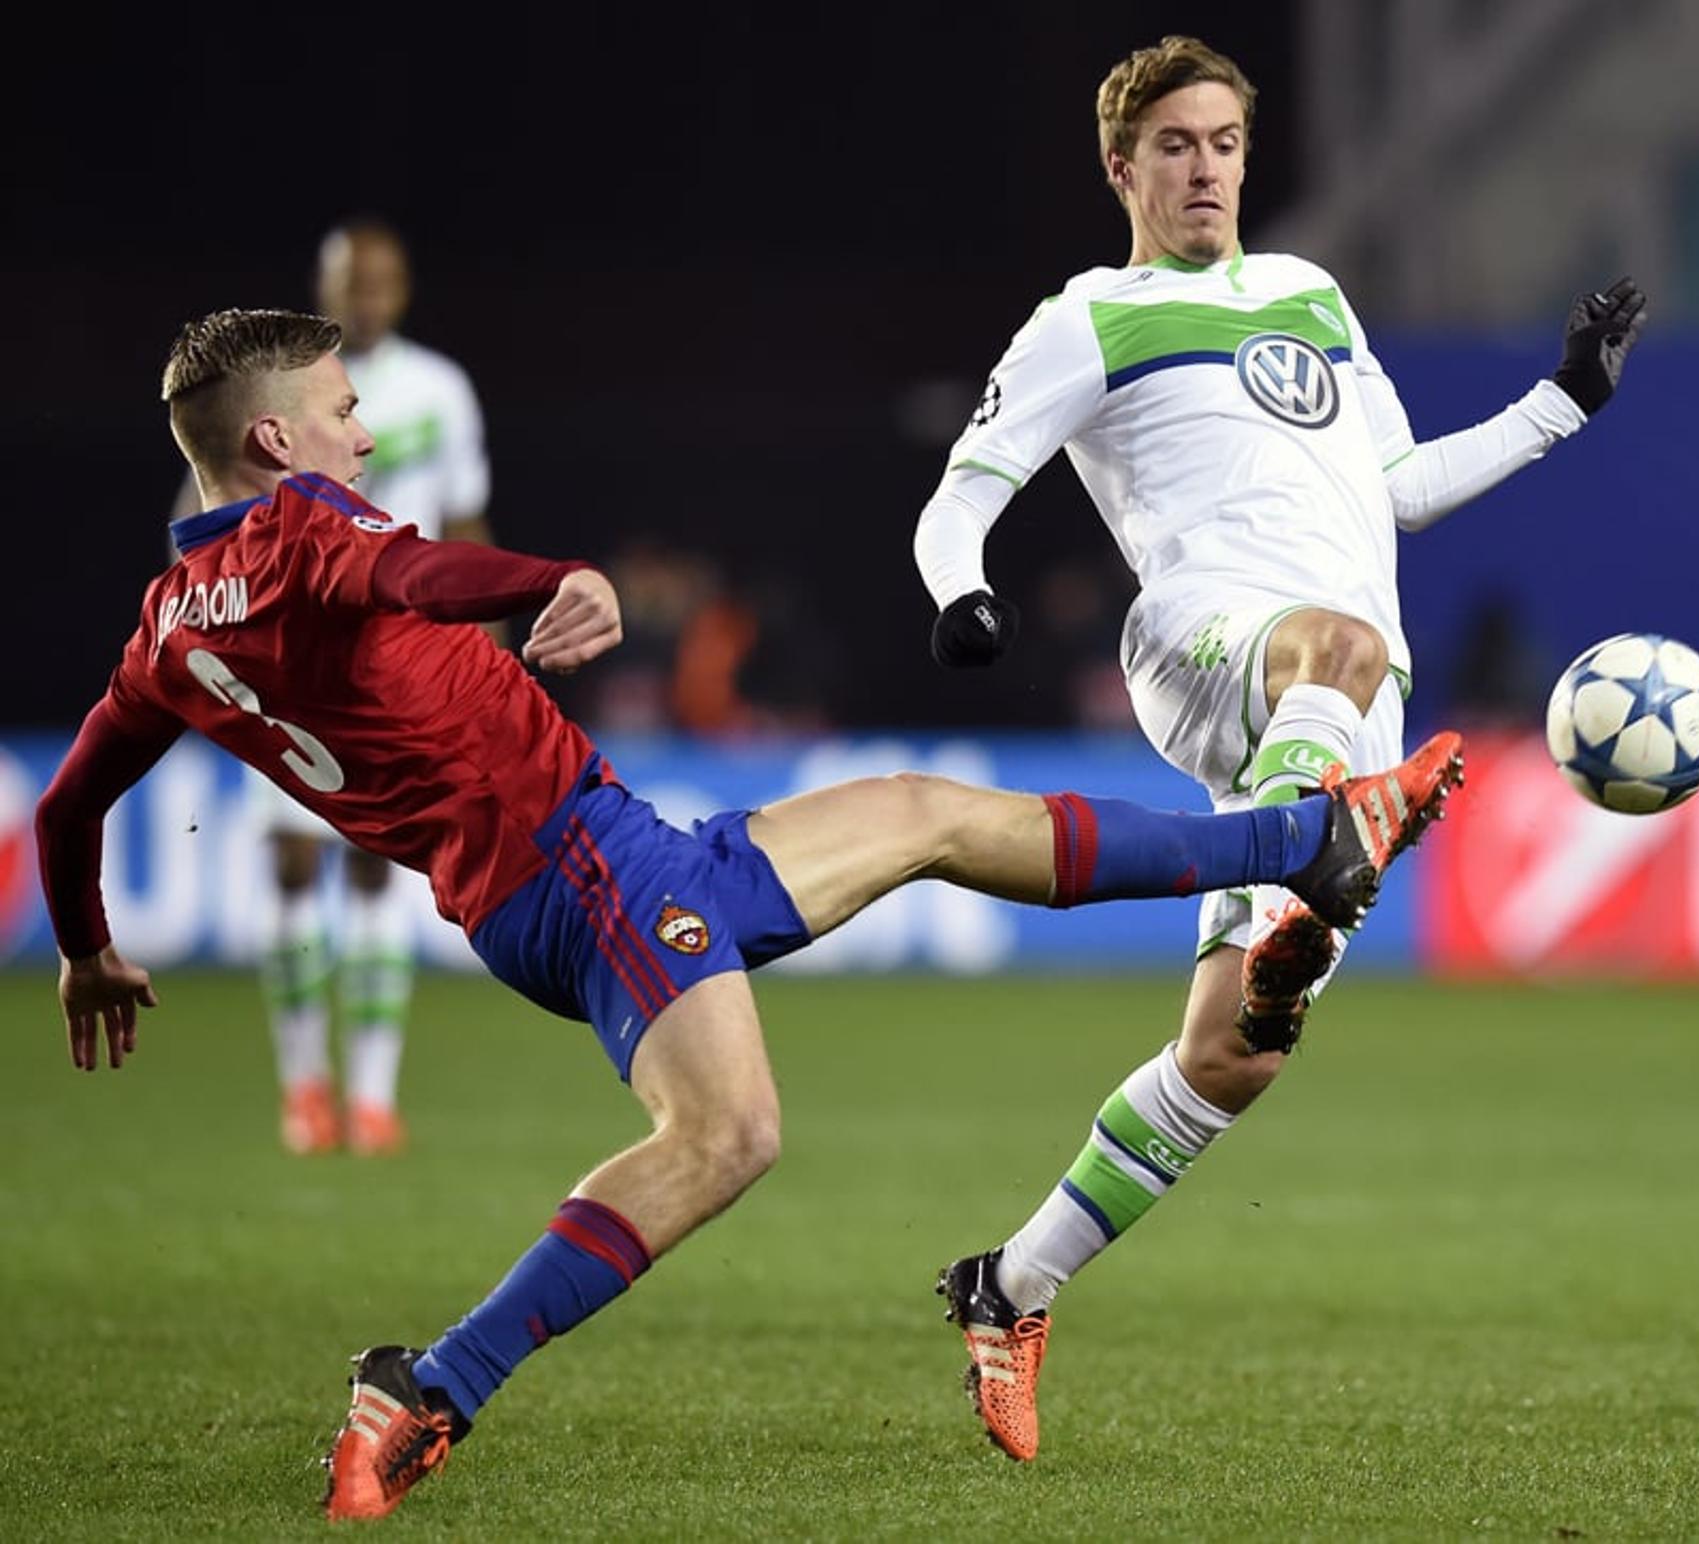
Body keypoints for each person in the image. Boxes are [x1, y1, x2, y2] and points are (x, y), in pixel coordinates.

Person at [33, 308, 1467, 1521]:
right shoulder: (304, 531)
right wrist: (555, 579)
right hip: (578, 872)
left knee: (930, 816)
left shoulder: (169, 625)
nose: (360, 435)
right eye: (342, 413)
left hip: (593, 857)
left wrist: (88, 943)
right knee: (729, 1136)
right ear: (272, 441)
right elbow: (413, 572)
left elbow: (66, 804)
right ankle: (428, 1390)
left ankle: (1310, 839)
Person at [912, 35, 1646, 1461]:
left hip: (1337, 712)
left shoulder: (1310, 296)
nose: (1206, 169)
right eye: (1176, 146)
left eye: (1227, 144)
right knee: (1342, 652)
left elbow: (1402, 490)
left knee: (1235, 1055)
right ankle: (1330, 840)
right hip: (1205, 638)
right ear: (1121, 165)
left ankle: (1009, 1287)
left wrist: (1566, 403)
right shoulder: (1086, 319)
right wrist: (963, 597)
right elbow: (960, 496)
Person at [254, 219, 495, 1157]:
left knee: (377, 864)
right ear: (323, 287)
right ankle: (302, 1087)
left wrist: (492, 642)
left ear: (401, 289)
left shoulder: (439, 389)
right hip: (295, 659)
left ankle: (373, 1098)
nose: (365, 297)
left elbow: (466, 516)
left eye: (381, 281)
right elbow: (210, 508)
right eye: (349, 281)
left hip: (407, 653)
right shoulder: (273, 384)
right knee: (291, 861)